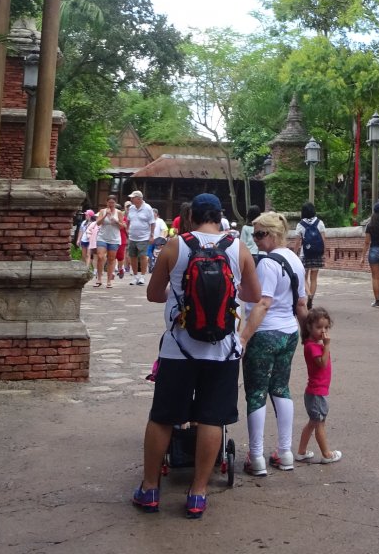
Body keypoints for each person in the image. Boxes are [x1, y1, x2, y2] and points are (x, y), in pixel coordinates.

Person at [135, 192, 259, 520]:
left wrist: (179, 291)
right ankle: (198, 493)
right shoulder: (237, 247)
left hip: (178, 348)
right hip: (223, 350)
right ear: (219, 217)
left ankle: (149, 489)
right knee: (211, 417)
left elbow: (152, 295)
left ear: (190, 218)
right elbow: (253, 295)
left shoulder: (174, 246)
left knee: (163, 416)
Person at [238, 210, 308, 476]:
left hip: (264, 334)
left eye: (260, 234)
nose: (256, 239)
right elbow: (301, 303)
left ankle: (256, 456)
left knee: (256, 393)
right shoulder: (295, 260)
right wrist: (305, 335)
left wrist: (244, 337)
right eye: (254, 233)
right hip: (288, 332)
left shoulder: (267, 263)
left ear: (275, 234)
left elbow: (263, 303)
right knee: (281, 388)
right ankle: (285, 451)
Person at [296, 306, 341, 464]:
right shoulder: (312, 346)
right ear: (309, 327)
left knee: (313, 423)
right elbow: (322, 363)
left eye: (326, 327)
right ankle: (326, 454)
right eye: (319, 327)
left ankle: (301, 451)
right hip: (316, 392)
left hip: (317, 391)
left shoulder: (314, 344)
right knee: (319, 423)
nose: (323, 331)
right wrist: (327, 345)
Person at [125, 187, 157, 285]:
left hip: (143, 236)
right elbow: (129, 220)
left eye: (133, 198)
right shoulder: (131, 208)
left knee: (143, 256)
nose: (131, 199)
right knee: (132, 256)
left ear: (139, 198)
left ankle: (142, 276)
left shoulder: (147, 208)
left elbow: (152, 223)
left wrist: (151, 235)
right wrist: (127, 229)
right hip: (132, 236)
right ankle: (135, 276)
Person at [92, 196, 123, 288]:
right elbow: (98, 223)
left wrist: (116, 221)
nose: (111, 204)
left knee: (111, 259)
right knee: (100, 256)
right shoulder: (102, 211)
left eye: (113, 202)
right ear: (107, 202)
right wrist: (106, 215)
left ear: (115, 203)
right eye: (109, 202)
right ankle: (99, 278)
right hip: (102, 237)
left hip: (114, 238)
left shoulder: (119, 212)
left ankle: (109, 280)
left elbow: (122, 226)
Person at [298, 202, 326, 300]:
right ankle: (311, 299)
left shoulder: (301, 224)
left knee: (303, 277)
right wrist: (324, 253)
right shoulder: (320, 222)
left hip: (304, 254)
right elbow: (323, 240)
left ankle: (308, 294)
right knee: (313, 278)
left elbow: (298, 242)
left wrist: (294, 253)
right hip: (317, 254)